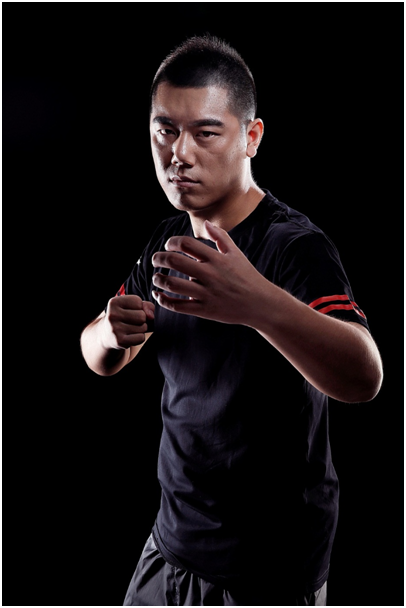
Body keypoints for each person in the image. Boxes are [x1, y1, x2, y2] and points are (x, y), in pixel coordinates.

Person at [80, 35, 383, 606]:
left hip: (267, 572)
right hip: (170, 546)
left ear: (251, 137)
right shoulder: (168, 238)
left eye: (205, 133)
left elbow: (365, 376)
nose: (179, 153)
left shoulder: (293, 246)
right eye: (165, 130)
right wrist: (111, 334)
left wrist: (256, 303)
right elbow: (97, 355)